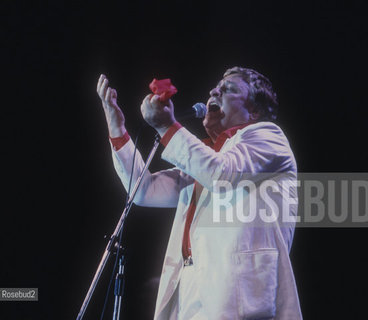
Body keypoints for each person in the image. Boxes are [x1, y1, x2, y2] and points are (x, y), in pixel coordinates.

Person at [96, 67, 302, 320]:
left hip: (241, 294)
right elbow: (145, 190)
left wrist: (167, 127)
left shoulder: (268, 138)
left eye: (229, 89)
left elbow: (222, 174)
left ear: (254, 111)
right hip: (191, 290)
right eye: (216, 87)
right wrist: (117, 128)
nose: (214, 91)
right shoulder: (208, 156)